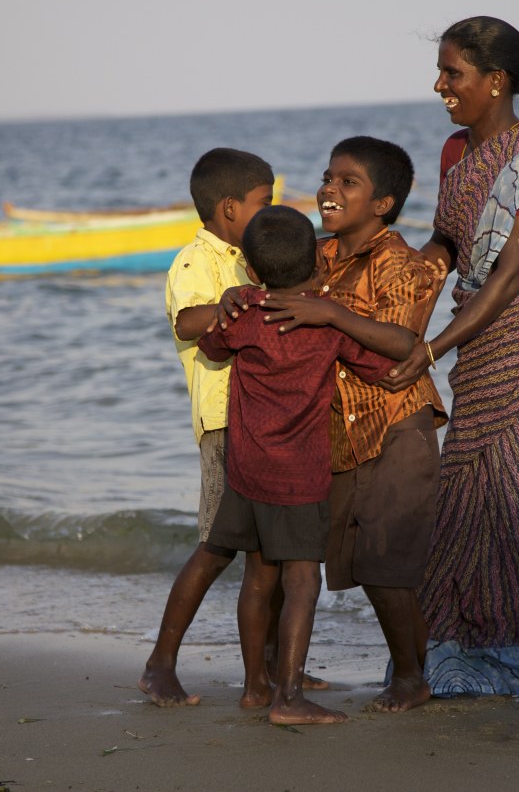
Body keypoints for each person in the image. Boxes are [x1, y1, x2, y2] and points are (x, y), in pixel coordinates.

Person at [381, 16, 519, 709]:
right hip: (482, 335)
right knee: (472, 499)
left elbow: (512, 271)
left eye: (454, 73)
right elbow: (451, 237)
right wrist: (410, 273)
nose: (440, 85)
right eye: (442, 72)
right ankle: (467, 652)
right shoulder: (456, 152)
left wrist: (432, 347)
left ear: (496, 81)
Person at [257, 136, 446, 712]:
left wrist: (331, 312)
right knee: (358, 562)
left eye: (347, 182)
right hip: (337, 433)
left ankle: (412, 678)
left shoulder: (400, 264)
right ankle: (280, 671)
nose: (329, 189)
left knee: (387, 562)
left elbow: (403, 342)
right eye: (327, 177)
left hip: (397, 422)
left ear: (382, 204)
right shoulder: (315, 255)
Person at [199, 205, 396, 725]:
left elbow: (210, 344)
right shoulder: (324, 321)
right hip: (299, 476)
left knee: (258, 579)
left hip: (247, 472)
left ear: (254, 269)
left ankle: (253, 688)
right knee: (303, 581)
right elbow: (382, 365)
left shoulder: (245, 312)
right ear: (316, 259)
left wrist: (235, 300)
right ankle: (288, 697)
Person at [138, 147, 272, 708]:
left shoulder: (252, 255)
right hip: (223, 425)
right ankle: (160, 664)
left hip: (267, 423)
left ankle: (269, 671)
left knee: (273, 555)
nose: (271, 213)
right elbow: (190, 320)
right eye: (264, 203)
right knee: (217, 547)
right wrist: (239, 302)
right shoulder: (195, 262)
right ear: (228, 208)